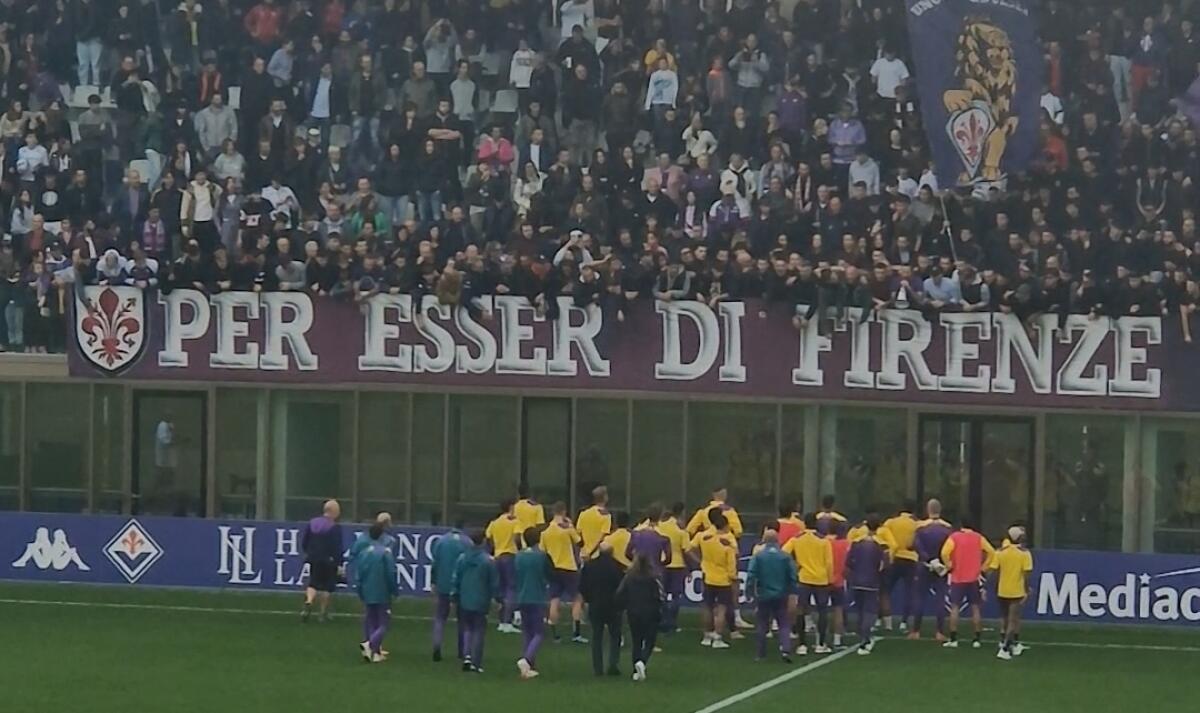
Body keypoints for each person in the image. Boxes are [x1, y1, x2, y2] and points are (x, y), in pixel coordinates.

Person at [940, 517, 997, 649]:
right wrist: (984, 568)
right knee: (975, 608)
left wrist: (949, 565)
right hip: (973, 577)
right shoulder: (978, 538)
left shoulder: (954, 537)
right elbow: (991, 552)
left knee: (954, 608)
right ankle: (977, 639)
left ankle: (953, 638)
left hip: (957, 577)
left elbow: (944, 552)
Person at [451, 529, 500, 673]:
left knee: (467, 629)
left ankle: (466, 656)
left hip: (464, 599)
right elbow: (493, 583)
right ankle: (476, 662)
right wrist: (498, 599)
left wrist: (454, 596)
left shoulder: (462, 558)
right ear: (483, 541)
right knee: (479, 631)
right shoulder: (488, 561)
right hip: (481, 600)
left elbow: (456, 578)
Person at [784, 513, 833, 655]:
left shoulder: (797, 538)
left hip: (804, 578)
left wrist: (796, 565)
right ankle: (821, 643)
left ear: (805, 523)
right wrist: (829, 579)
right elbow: (829, 562)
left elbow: (784, 552)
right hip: (821, 579)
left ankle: (802, 645)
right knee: (822, 611)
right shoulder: (824, 540)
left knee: (801, 611)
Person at [746, 528, 796, 663]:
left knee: (762, 623)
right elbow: (792, 576)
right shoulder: (785, 556)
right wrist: (793, 592)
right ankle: (785, 649)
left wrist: (748, 592)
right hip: (781, 594)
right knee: (783, 623)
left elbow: (751, 575)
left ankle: (761, 653)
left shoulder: (759, 556)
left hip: (763, 595)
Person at [541, 501, 587, 643]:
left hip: (554, 568)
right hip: (569, 567)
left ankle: (555, 634)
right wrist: (571, 526)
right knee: (577, 599)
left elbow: (543, 551)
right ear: (564, 512)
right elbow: (580, 542)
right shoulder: (567, 528)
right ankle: (576, 633)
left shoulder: (546, 531)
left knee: (554, 599)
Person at [692, 509, 737, 649]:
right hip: (723, 579)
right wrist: (733, 577)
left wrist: (700, 562)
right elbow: (732, 561)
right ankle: (717, 638)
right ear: (724, 526)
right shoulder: (728, 542)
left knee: (707, 607)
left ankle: (706, 635)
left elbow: (690, 547)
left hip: (707, 576)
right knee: (721, 609)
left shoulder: (703, 536)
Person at [355, 521, 399, 663]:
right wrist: (394, 590)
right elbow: (390, 573)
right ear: (381, 535)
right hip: (382, 592)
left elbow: (359, 574)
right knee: (384, 623)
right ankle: (370, 644)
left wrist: (360, 589)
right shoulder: (385, 553)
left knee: (370, 620)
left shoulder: (364, 552)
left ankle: (375, 653)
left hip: (367, 591)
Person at [910, 499, 953, 640]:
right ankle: (939, 632)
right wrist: (941, 563)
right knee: (940, 598)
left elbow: (916, 545)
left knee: (920, 597)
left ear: (928, 510)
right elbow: (950, 548)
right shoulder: (948, 528)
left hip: (924, 565)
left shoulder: (920, 527)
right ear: (940, 510)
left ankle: (916, 630)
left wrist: (929, 560)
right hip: (941, 567)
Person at [846, 514, 889, 655]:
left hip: (857, 580)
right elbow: (883, 565)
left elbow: (848, 562)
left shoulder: (856, 542)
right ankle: (865, 640)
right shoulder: (880, 545)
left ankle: (862, 638)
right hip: (871, 582)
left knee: (860, 611)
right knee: (869, 611)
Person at [579, 542, 625, 676]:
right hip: (613, 605)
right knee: (615, 635)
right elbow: (622, 587)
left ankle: (597, 668)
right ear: (611, 552)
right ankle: (613, 664)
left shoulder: (589, 566)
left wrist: (588, 599)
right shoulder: (617, 567)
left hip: (596, 604)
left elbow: (583, 586)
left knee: (596, 637)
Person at [617, 553, 664, 682]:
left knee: (636, 641)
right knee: (649, 641)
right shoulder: (653, 578)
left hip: (633, 612)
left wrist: (625, 605)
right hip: (650, 613)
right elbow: (659, 596)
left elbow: (620, 593)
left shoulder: (629, 577)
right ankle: (642, 662)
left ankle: (635, 671)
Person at [514, 527, 552, 679]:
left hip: (522, 596)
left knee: (527, 632)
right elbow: (549, 574)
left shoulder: (519, 556)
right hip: (537, 597)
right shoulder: (542, 556)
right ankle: (527, 659)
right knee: (539, 632)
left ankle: (528, 666)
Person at [430, 521, 471, 662]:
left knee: (440, 617)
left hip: (443, 584)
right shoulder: (468, 542)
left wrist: (433, 582)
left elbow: (435, 564)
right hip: (461, 586)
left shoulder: (441, 541)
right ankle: (462, 650)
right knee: (463, 620)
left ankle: (437, 645)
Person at [993, 525, 1033, 660]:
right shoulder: (1024, 553)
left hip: (1002, 589)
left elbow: (995, 571)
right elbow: (1026, 574)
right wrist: (1027, 589)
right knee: (1013, 620)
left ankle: (1004, 642)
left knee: (1004, 619)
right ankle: (1005, 649)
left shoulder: (1000, 552)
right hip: (1016, 591)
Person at [300, 500, 344, 623]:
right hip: (328, 560)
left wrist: (309, 552)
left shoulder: (312, 523)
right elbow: (337, 547)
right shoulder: (335, 527)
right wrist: (339, 562)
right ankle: (322, 613)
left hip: (314, 558)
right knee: (327, 587)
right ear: (334, 512)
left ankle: (308, 601)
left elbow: (305, 541)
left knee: (313, 582)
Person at [881, 501, 920, 633]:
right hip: (910, 559)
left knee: (886, 590)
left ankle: (882, 618)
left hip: (895, 558)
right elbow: (917, 541)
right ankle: (904, 621)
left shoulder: (891, 522)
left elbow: (883, 537)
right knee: (909, 592)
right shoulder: (916, 524)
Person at [485, 499, 522, 633]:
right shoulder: (515, 521)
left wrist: (493, 550)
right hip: (510, 555)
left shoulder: (495, 522)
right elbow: (517, 537)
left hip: (497, 556)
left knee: (500, 588)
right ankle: (507, 620)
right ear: (511, 507)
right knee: (511, 588)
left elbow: (488, 537)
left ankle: (502, 620)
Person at [654, 502, 691, 633]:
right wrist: (690, 568)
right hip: (677, 564)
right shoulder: (680, 529)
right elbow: (686, 550)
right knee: (676, 596)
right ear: (682, 512)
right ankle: (671, 622)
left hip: (662, 563)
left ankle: (663, 620)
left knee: (661, 595)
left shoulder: (660, 525)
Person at [577, 485, 613, 559]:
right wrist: (591, 553)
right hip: (597, 555)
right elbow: (603, 537)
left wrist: (585, 551)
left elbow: (579, 535)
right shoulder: (606, 516)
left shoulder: (583, 513)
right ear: (605, 498)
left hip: (583, 554)